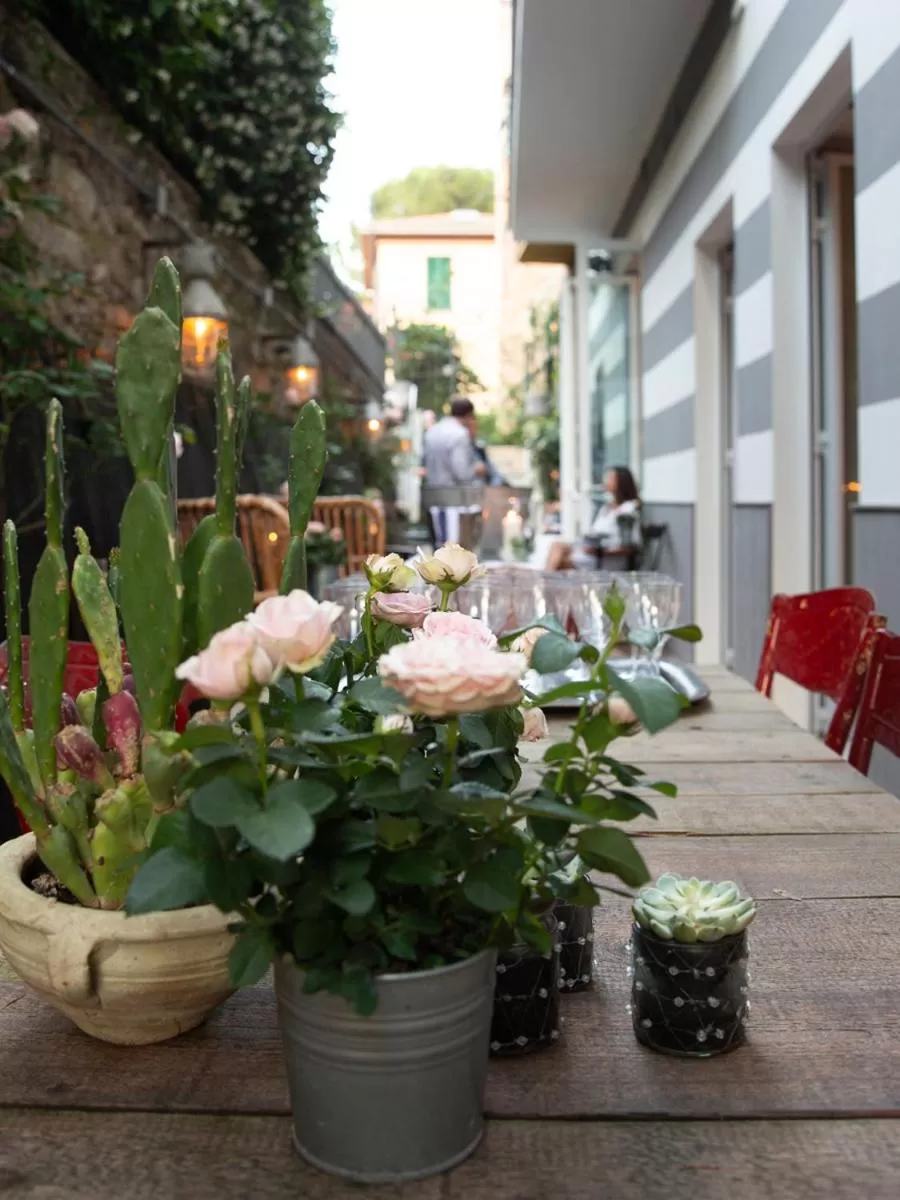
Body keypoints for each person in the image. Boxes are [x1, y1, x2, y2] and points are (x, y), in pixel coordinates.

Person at [422, 396, 483, 545]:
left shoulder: (432, 431)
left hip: (433, 495)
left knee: (437, 547)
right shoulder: (459, 434)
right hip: (453, 500)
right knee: (451, 549)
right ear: (468, 415)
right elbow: (462, 471)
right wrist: (476, 469)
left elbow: (425, 462)